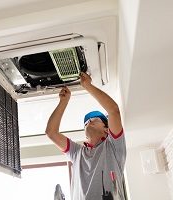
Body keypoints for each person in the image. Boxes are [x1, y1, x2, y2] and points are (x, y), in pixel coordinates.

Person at [45, 72, 126, 200]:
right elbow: (51, 132)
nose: (89, 121)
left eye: (95, 119)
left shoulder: (113, 147)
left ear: (106, 129)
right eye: (86, 122)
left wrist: (88, 86)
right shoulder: (77, 153)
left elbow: (113, 110)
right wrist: (63, 102)